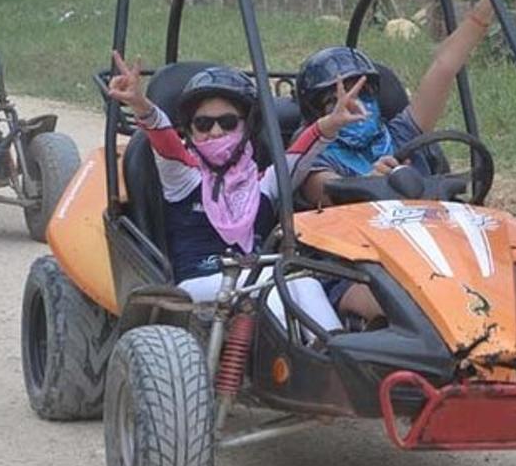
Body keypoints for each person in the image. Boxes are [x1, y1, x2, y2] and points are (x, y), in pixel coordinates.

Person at [106, 51, 370, 338]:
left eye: (228, 122)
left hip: (254, 283)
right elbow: (164, 141)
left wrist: (333, 122)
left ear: (246, 126)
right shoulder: (182, 177)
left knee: (305, 284)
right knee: (276, 283)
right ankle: (298, 371)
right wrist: (140, 104)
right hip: (196, 287)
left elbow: (300, 153)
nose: (216, 131)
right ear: (191, 131)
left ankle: (331, 358)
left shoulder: (264, 184)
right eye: (203, 124)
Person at [297, 0, 504, 208]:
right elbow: (323, 191)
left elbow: (444, 67)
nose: (354, 105)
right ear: (318, 115)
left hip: (426, 236)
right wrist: (370, 182)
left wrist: (490, 2)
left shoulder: (400, 134)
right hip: (356, 244)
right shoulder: (316, 159)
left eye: (363, 92)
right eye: (336, 100)